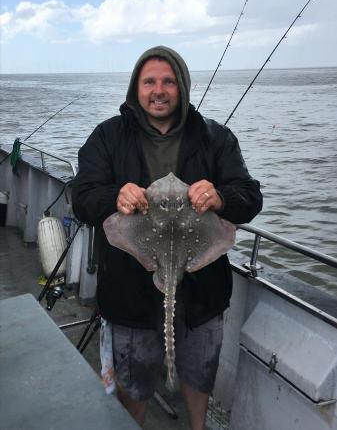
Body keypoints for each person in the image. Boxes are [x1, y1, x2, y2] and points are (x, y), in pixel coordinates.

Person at [71, 46, 263, 429]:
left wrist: (221, 196)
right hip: (129, 292)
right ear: (136, 88)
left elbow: (250, 196)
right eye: (149, 82)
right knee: (134, 385)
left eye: (168, 81)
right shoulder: (108, 136)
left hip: (202, 294)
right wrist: (115, 195)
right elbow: (82, 198)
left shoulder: (215, 137)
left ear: (182, 87)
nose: (159, 90)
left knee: (199, 374)